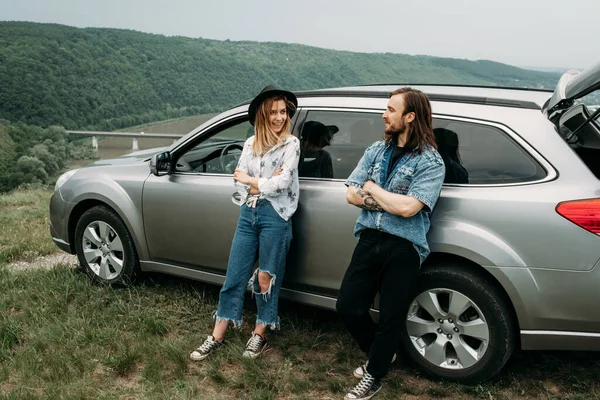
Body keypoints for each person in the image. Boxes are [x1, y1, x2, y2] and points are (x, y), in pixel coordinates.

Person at [336, 87, 445, 400]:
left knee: (391, 316)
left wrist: (370, 189)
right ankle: (380, 355)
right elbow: (350, 194)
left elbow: (410, 208)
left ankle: (375, 373)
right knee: (348, 306)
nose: (384, 115)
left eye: (391, 110)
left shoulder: (431, 162)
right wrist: (384, 198)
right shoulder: (375, 150)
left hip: (404, 245)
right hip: (370, 237)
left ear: (409, 117)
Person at [190, 85, 300, 361]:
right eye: (273, 112)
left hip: (276, 216)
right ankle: (217, 334)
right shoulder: (251, 144)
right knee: (234, 276)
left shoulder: (291, 144)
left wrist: (253, 182)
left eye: (283, 112)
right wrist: (259, 184)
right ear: (262, 114)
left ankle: (260, 333)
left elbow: (282, 183)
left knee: (266, 278)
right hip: (248, 214)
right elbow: (239, 184)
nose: (279, 117)